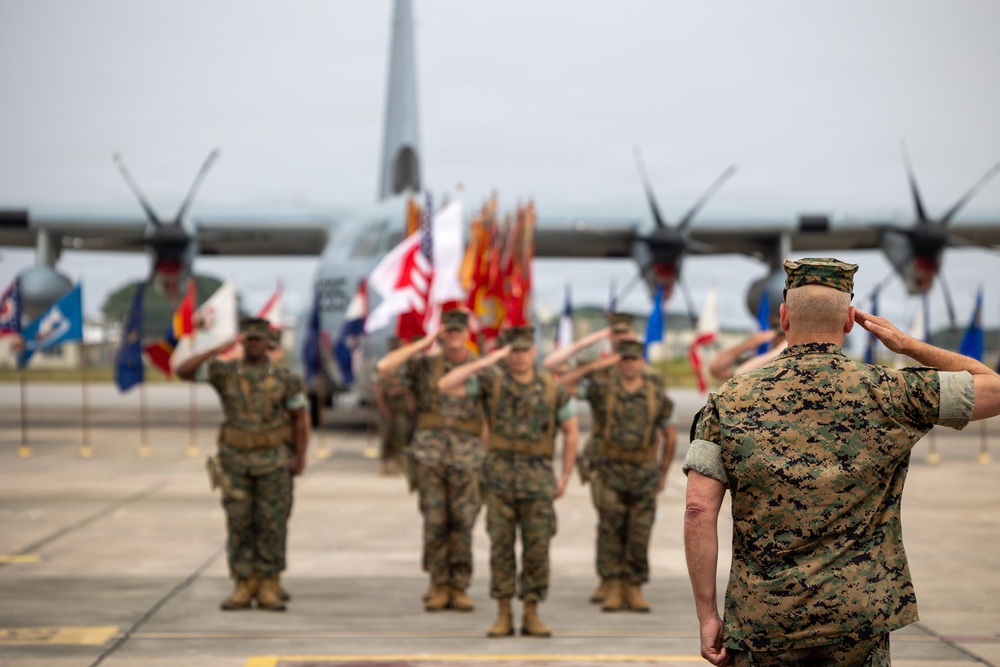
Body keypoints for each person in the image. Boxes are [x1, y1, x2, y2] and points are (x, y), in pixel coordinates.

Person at [683, 257, 1000, 666]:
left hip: (764, 621)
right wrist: (908, 347)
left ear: (784, 318)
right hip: (858, 620)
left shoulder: (728, 402)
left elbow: (697, 510)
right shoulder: (892, 392)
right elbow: (993, 387)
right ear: (850, 321)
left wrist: (708, 615)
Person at [438, 325, 579, 638]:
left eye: (523, 350)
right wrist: (488, 361)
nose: (518, 357)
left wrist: (566, 474)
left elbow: (571, 431)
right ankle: (503, 612)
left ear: (534, 352)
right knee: (501, 549)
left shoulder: (552, 389)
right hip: (499, 483)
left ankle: (531, 612)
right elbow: (446, 385)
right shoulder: (492, 384)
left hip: (538, 482)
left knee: (537, 549)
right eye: (512, 351)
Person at [176, 317, 310, 612]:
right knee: (239, 524)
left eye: (258, 340)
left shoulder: (285, 377)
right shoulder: (225, 373)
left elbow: (300, 419)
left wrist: (301, 456)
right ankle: (243, 583)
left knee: (271, 524)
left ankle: (268, 582)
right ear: (241, 342)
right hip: (236, 462)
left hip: (274, 461)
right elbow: (182, 372)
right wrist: (215, 349)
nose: (253, 345)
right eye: (248, 339)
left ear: (268, 343)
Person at [375, 309, 484, 612]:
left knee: (463, 522)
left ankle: (458, 585)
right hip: (430, 456)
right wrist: (425, 343)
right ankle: (437, 583)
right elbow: (385, 367)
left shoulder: (479, 368)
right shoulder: (424, 365)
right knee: (435, 522)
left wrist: (486, 456)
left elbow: (490, 414)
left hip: (468, 457)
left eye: (458, 331)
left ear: (466, 333)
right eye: (447, 331)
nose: (453, 336)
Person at [563, 339, 676, 612]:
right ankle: (612, 584)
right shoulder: (603, 390)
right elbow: (564, 385)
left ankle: (633, 586)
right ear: (618, 362)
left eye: (632, 359)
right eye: (623, 359)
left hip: (644, 473)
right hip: (610, 471)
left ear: (641, 362)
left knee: (640, 532)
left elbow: (669, 436)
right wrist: (598, 365)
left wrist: (663, 472)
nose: (628, 364)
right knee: (610, 529)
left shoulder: (656, 395)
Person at [544, 312, 644, 605]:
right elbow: (556, 373)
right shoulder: (598, 371)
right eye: (616, 336)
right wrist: (594, 343)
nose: (621, 343)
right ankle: (609, 580)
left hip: (639, 461)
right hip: (605, 458)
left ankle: (630, 582)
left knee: (637, 525)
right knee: (609, 523)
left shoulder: (639, 369)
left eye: (626, 337)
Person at [373, 336, 415, 476]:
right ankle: (385, 464)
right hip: (388, 405)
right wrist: (382, 404)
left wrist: (406, 395)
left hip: (401, 407)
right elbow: (378, 385)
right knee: (386, 435)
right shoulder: (383, 363)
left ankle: (399, 464)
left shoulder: (406, 365)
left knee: (402, 435)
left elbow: (410, 386)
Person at [707, 328, 786, 381]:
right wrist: (748, 343)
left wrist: (779, 351)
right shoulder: (759, 358)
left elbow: (739, 373)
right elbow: (715, 368)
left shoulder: (786, 360)